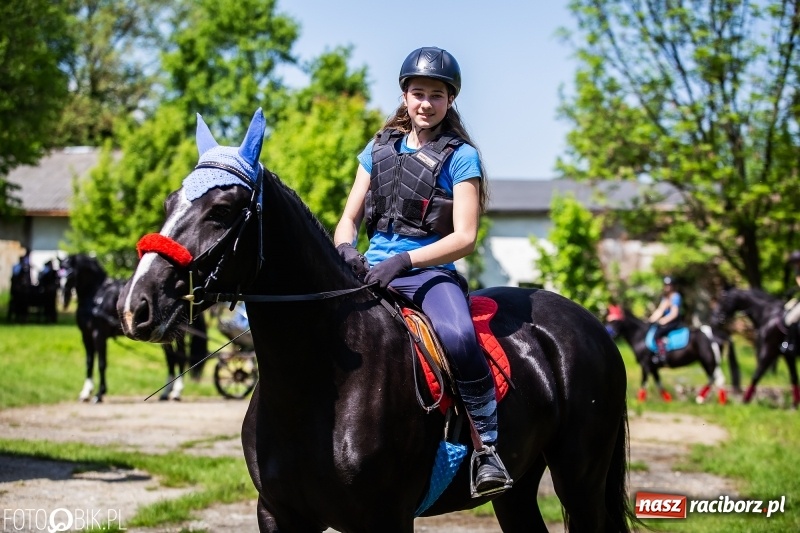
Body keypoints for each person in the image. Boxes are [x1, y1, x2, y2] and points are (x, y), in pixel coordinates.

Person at [333, 46, 511, 495]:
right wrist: (345, 249)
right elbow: (348, 217)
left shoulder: (462, 157)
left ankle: (486, 449)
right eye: (418, 93)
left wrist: (405, 259)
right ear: (404, 95)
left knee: (458, 336)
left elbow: (465, 237)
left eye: (436, 94)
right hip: (371, 270)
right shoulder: (376, 149)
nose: (425, 103)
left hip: (427, 272)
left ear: (449, 100)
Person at [648, 276, 683, 364]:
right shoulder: (666, 298)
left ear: (673, 286)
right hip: (667, 320)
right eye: (666, 285)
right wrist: (650, 320)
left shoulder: (675, 297)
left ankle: (661, 354)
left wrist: (664, 320)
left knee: (658, 333)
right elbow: (660, 310)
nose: (668, 287)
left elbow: (674, 313)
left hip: (674, 321)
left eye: (669, 285)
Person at [781, 250, 800, 353]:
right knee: (786, 308)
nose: (795, 264)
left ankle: (791, 344)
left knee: (790, 318)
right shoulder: (797, 270)